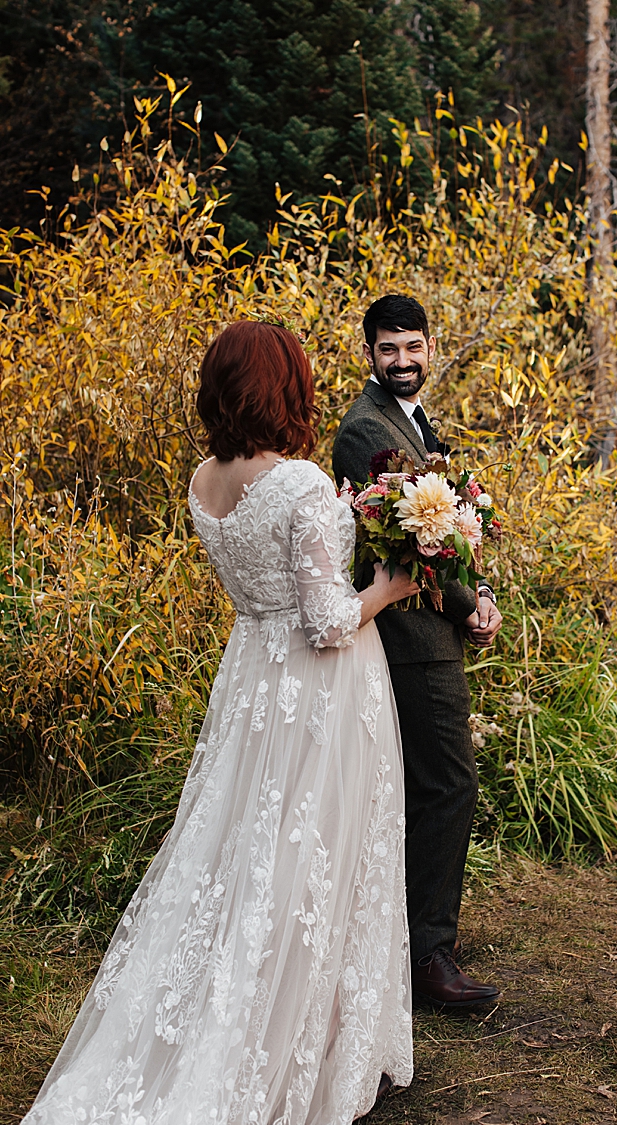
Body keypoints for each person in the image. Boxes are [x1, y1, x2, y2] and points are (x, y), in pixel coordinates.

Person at [25, 320, 420, 1124]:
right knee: (317, 856)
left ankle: (272, 1015)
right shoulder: (302, 481)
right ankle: (299, 1043)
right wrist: (391, 586)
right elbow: (327, 618)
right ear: (287, 386)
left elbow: (267, 580)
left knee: (244, 855)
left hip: (250, 682)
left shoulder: (205, 479)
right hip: (318, 692)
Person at [331, 294, 503, 1012]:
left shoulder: (411, 417)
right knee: (446, 787)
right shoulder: (365, 431)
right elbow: (416, 541)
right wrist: (472, 607)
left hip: (428, 629)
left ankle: (406, 944)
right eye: (388, 349)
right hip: (412, 639)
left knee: (418, 789)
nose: (402, 361)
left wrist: (483, 583)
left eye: (413, 347)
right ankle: (428, 955)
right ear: (368, 352)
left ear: (432, 347)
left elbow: (453, 524)